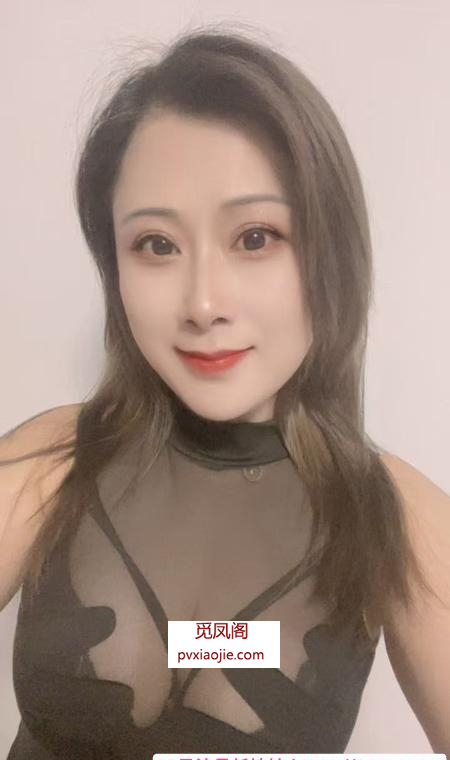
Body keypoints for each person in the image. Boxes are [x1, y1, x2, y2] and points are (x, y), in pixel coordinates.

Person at [1, 24, 449, 758]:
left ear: (330, 252)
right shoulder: (54, 460)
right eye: (157, 244)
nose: (204, 303)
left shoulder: (397, 519)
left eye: (255, 237)